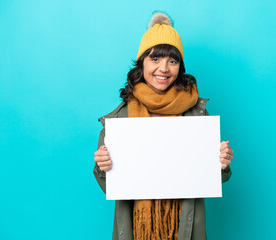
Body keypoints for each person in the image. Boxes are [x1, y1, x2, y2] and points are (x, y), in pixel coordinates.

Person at [93, 12, 234, 240]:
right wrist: (102, 166)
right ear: (142, 64)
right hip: (137, 229)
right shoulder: (120, 118)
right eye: (155, 59)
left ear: (180, 66)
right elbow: (110, 186)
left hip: (183, 225)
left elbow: (215, 178)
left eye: (172, 60)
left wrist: (222, 164)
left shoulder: (197, 114)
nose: (164, 69)